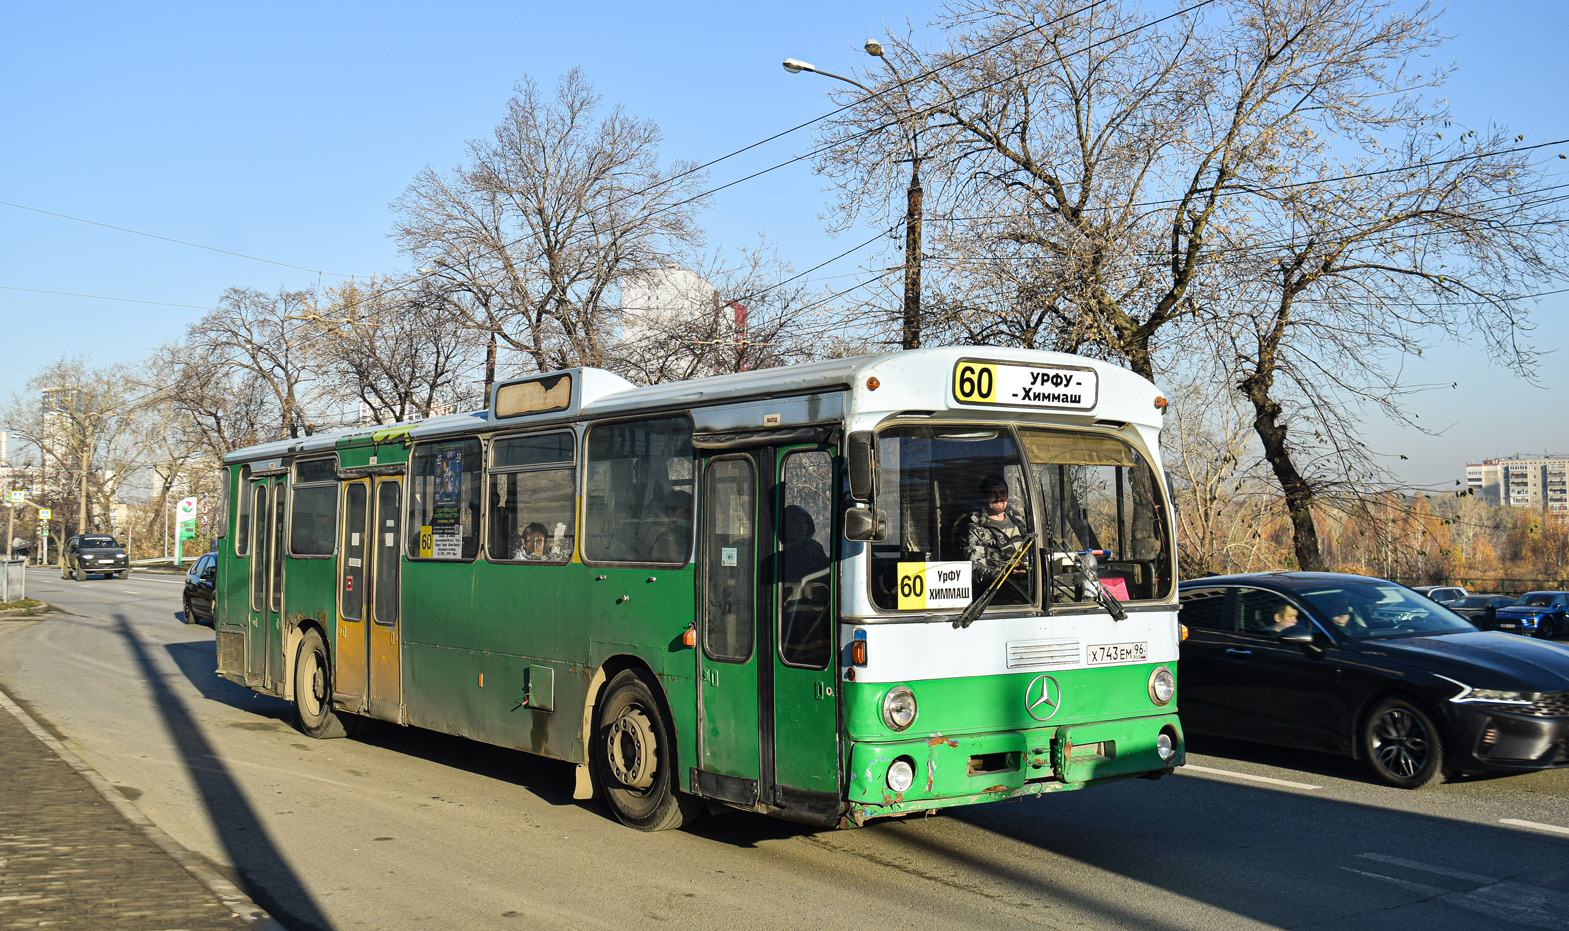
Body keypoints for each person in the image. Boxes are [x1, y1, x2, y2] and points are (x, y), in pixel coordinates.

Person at [955, 474, 1031, 590]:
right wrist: (1005, 573)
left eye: (1002, 493)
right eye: (992, 494)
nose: (999, 498)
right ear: (984, 497)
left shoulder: (1019, 521)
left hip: (1029, 592)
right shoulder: (975, 528)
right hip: (996, 594)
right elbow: (975, 568)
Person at [780, 504, 829, 582]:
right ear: (787, 525)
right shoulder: (781, 548)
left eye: (805, 522)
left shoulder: (816, 546)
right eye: (797, 522)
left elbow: (826, 565)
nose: (802, 526)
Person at [650, 491, 693, 564]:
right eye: (685, 512)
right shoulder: (668, 536)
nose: (690, 516)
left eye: (691, 512)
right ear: (671, 514)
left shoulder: (680, 530)